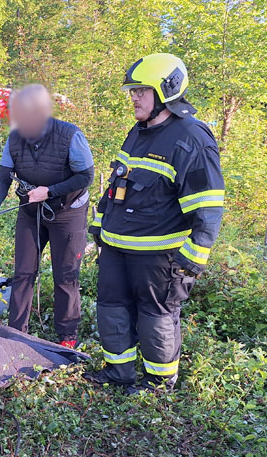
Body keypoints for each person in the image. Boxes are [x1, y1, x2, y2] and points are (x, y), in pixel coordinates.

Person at [84, 53, 225, 393]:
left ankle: (159, 383)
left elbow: (207, 209)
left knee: (156, 316)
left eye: (141, 90)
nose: (133, 97)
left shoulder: (192, 139)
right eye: (132, 90)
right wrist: (98, 229)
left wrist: (190, 262)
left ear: (166, 91)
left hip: (159, 256)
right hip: (117, 248)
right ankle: (119, 374)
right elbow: (117, 183)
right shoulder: (139, 131)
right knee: (111, 309)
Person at [0, 84, 94, 348]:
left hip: (69, 211)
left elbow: (86, 176)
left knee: (65, 275)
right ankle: (17, 332)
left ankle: (67, 336)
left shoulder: (70, 135)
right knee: (23, 271)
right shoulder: (15, 138)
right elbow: (3, 178)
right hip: (30, 211)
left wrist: (51, 191)